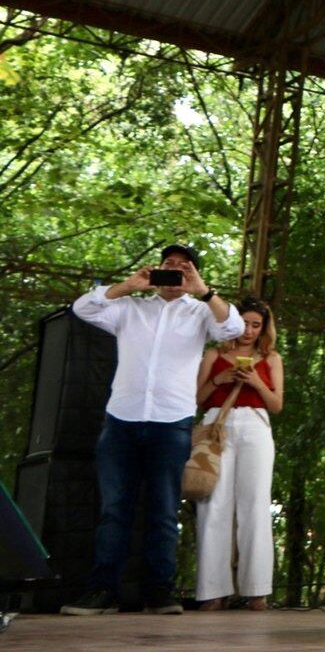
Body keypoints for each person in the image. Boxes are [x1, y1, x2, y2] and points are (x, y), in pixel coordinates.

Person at [61, 244, 244, 615]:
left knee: (163, 510)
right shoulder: (130, 308)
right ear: (156, 270)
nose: (174, 270)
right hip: (121, 420)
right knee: (114, 509)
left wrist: (203, 291)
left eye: (184, 266)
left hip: (171, 422)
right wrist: (128, 285)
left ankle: (159, 592)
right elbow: (82, 308)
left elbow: (234, 327)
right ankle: (102, 591)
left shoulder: (200, 313)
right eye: (168, 265)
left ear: (192, 274)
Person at [194, 298, 284, 610]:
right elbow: (197, 397)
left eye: (255, 325)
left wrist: (256, 381)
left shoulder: (271, 358)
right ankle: (211, 591)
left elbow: (276, 405)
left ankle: (257, 590)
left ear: (263, 329)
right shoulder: (214, 353)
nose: (248, 330)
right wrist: (220, 378)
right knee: (213, 504)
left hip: (256, 425)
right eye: (244, 323)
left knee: (256, 504)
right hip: (216, 424)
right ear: (232, 322)